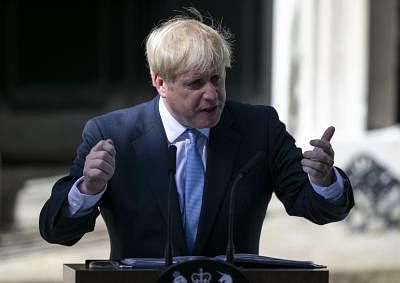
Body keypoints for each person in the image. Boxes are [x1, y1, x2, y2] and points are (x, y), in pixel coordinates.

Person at [39, 11, 354, 261]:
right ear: (161, 83)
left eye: (217, 79)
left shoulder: (260, 128)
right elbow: (57, 231)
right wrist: (89, 188)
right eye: (195, 83)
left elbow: (316, 207)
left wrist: (324, 181)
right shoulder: (111, 134)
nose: (212, 95)